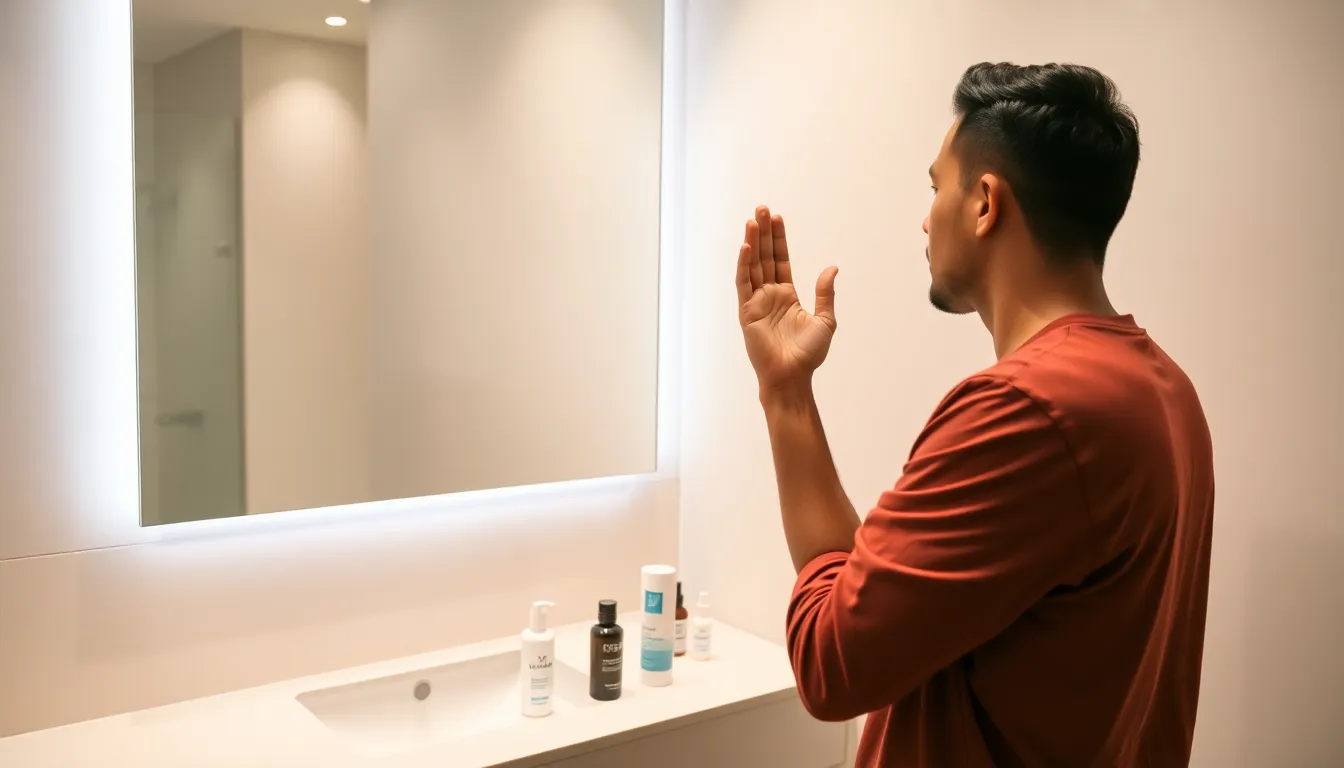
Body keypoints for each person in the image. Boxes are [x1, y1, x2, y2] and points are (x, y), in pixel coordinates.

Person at [734, 62, 1214, 767]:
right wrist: (787, 389)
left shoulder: (1027, 409)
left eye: (936, 186)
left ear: (986, 202)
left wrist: (782, 400)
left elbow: (831, 662)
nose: (925, 216)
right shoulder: (1166, 391)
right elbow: (870, 610)